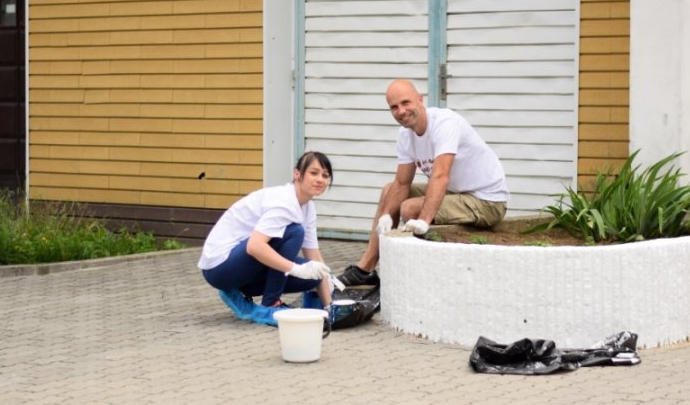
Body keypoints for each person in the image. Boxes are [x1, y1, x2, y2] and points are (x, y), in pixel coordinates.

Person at [338, 79, 509, 287]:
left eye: (405, 103)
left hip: (486, 201)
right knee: (388, 191)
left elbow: (440, 176)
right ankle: (365, 269)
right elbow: (401, 184)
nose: (401, 111)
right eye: (394, 107)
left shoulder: (445, 123)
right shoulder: (405, 134)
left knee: (410, 209)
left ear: (420, 100)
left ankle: (423, 278)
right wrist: (385, 215)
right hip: (456, 194)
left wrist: (424, 220)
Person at [198, 151, 335, 326]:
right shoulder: (285, 202)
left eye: (325, 175)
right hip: (219, 267)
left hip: (240, 268)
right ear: (297, 174)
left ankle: (237, 292)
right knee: (294, 232)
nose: (320, 179)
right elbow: (254, 246)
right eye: (314, 173)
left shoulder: (308, 208)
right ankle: (271, 303)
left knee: (314, 276)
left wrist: (329, 305)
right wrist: (295, 269)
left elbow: (314, 257)